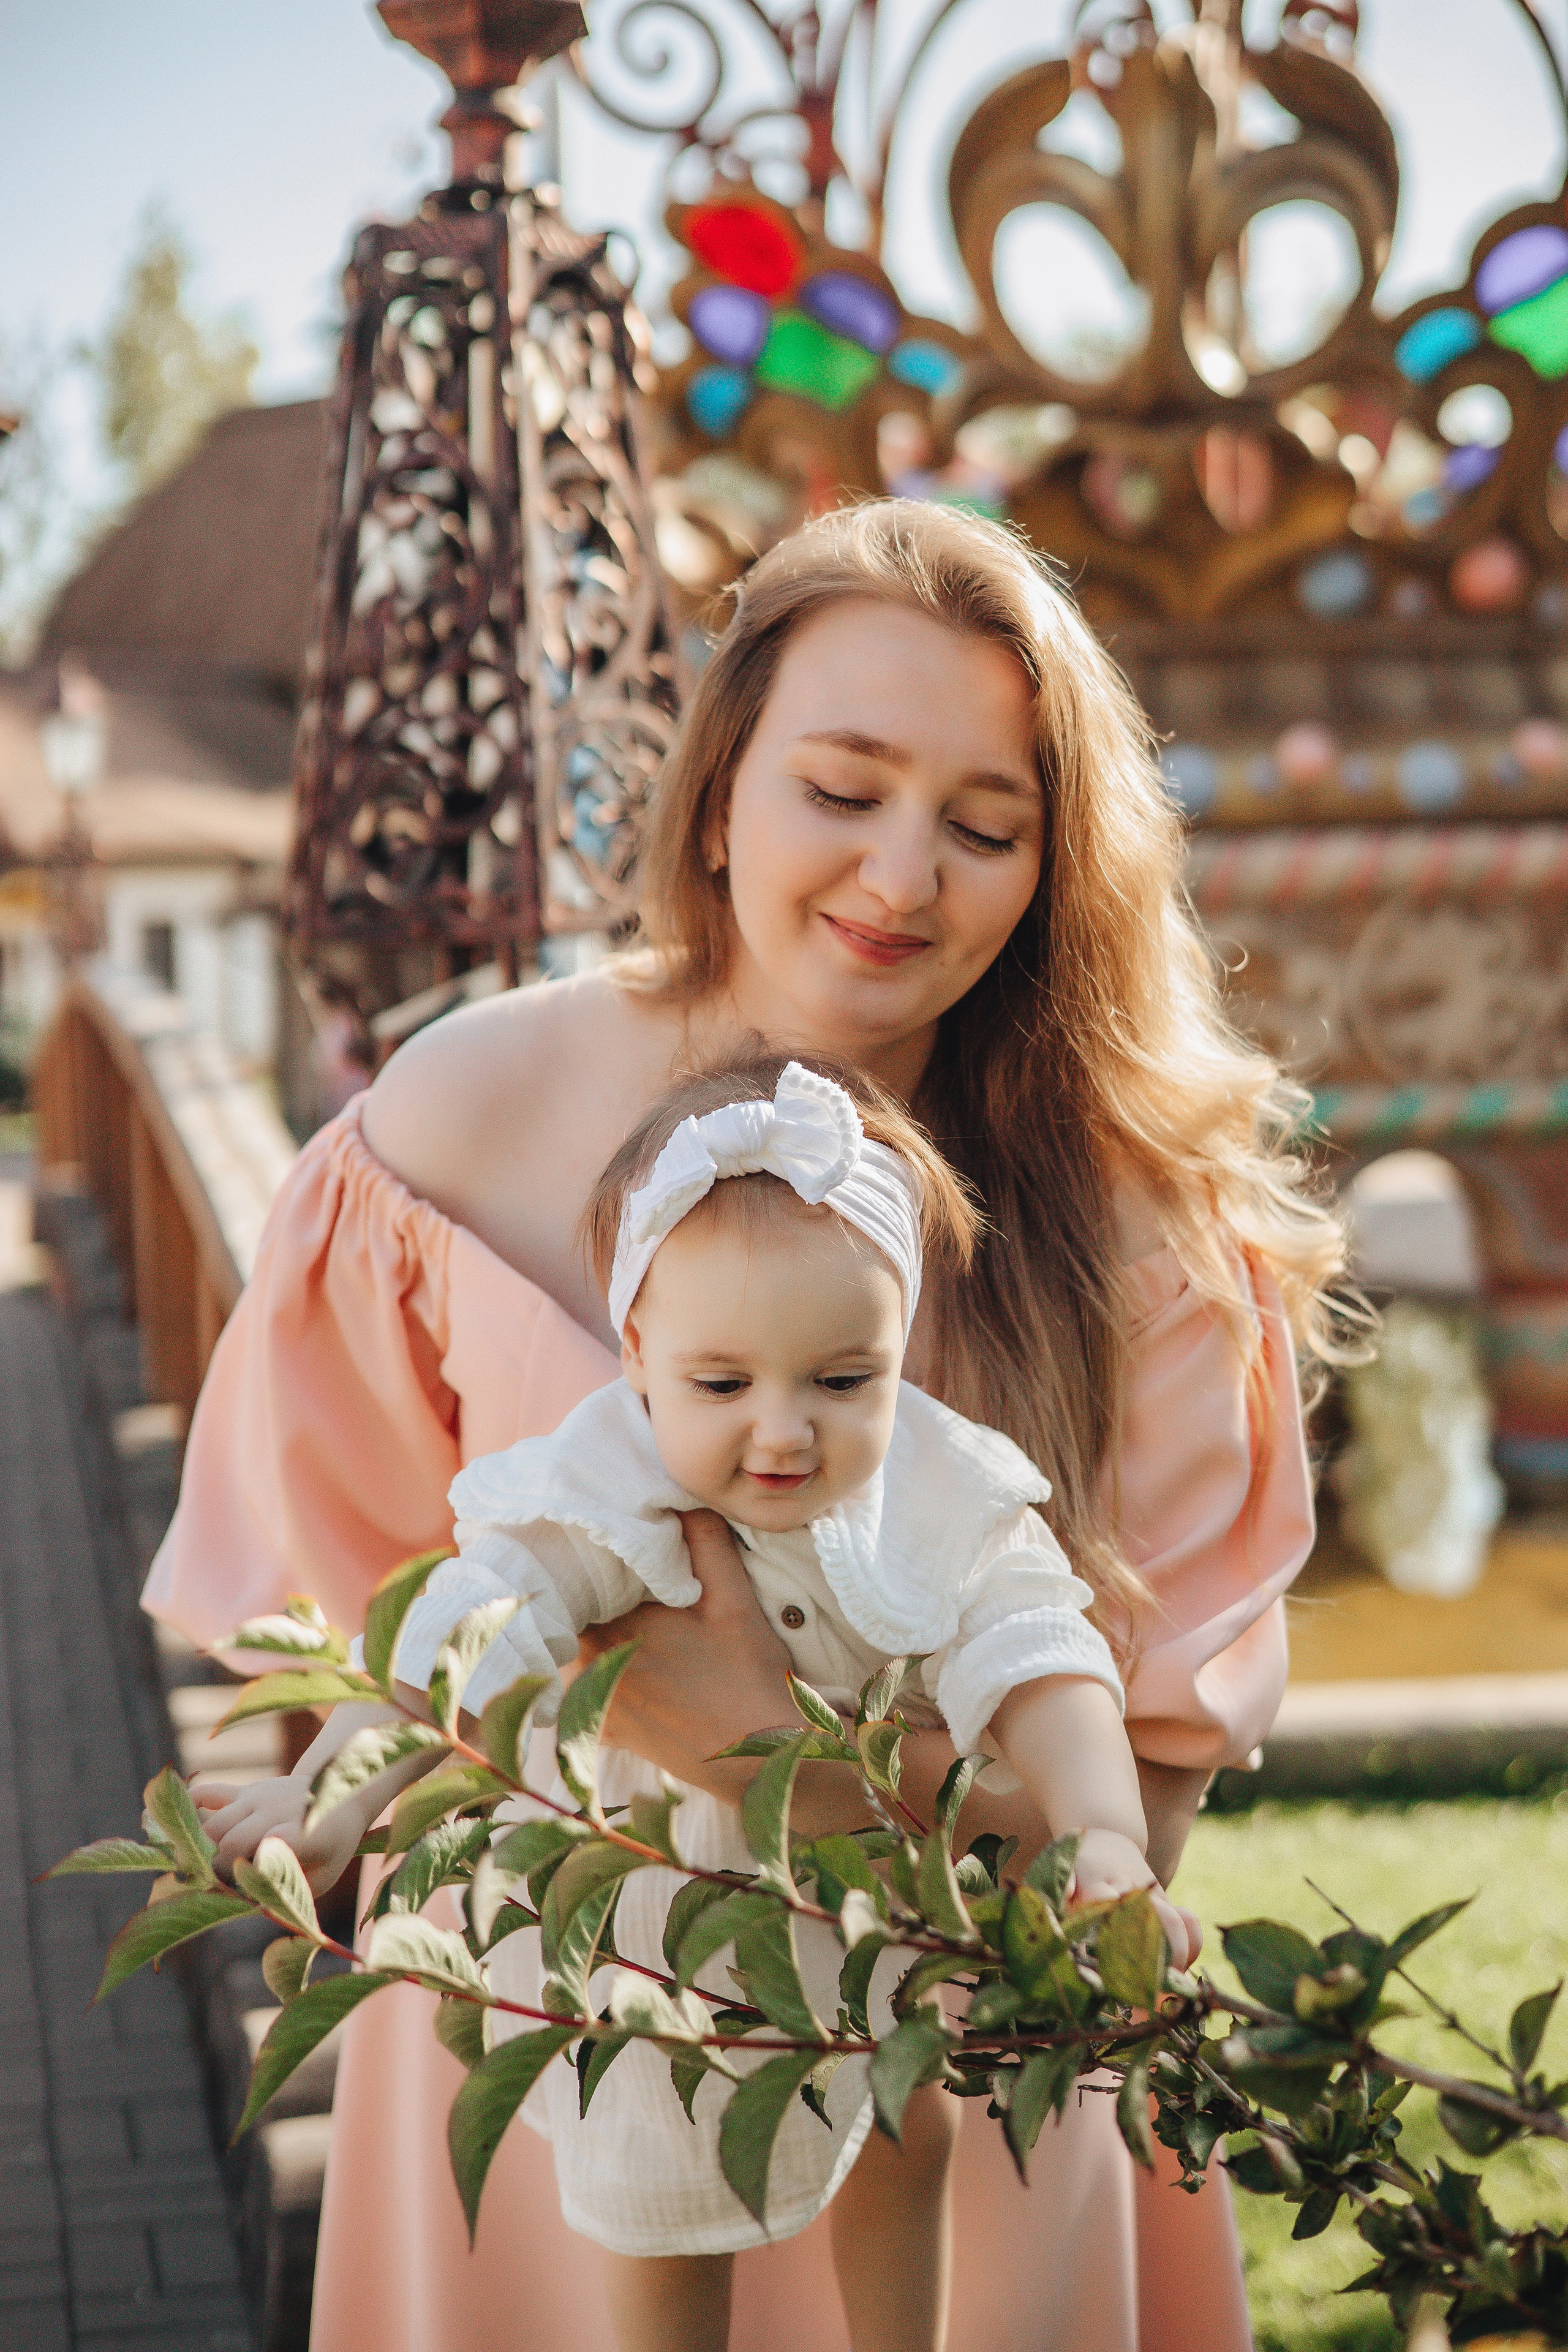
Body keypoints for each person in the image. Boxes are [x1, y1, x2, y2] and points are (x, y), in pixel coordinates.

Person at [145, 499, 1336, 2352]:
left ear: (1052, 866)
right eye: (840, 789)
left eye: (984, 826)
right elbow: (351, 1656)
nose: (900, 875)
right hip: (548, 2053)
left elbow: (1132, 1826)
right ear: (716, 797)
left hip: (961, 2079)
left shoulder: (1143, 1226)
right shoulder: (453, 1126)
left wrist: (738, 1730)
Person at [198, 1052, 1204, 2350]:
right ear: (639, 1352)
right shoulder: (605, 1480)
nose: (782, 1432)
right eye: (723, 1385)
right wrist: (329, 1798)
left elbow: (1037, 1650)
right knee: (666, 2216)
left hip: (863, 1902)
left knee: (909, 2119)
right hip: (658, 1935)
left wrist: (1101, 1831)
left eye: (842, 1381)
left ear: (898, 1347)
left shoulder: (936, 1485)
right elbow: (463, 1625)